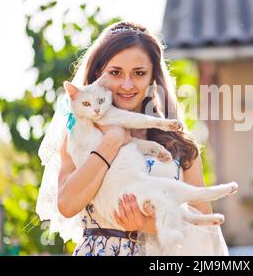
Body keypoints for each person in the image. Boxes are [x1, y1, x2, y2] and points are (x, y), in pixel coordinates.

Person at [36, 21, 227, 256]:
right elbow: (67, 204)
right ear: (98, 75)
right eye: (115, 73)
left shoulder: (179, 145)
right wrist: (112, 140)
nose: (127, 84)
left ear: (152, 78)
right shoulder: (77, 137)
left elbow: (208, 232)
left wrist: (147, 225)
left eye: (139, 73)